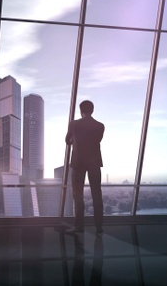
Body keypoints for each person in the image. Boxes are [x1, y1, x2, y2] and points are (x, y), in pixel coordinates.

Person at [65, 100, 105, 234]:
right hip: (94, 162)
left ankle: (79, 226)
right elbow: (96, 141)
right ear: (92, 110)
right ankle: (99, 227)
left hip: (78, 162)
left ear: (80, 110)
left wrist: (75, 141)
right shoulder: (100, 126)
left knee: (78, 195)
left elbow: (67, 140)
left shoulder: (74, 124)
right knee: (97, 195)